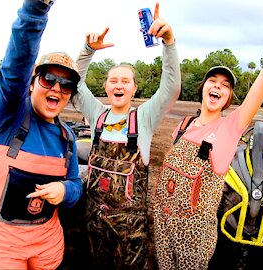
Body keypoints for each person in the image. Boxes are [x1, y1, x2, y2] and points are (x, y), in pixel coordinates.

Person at [152, 5, 263, 270]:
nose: (218, 87)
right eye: (213, 81)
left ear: (228, 98)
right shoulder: (183, 125)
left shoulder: (231, 128)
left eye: (225, 86)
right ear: (203, 88)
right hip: (163, 222)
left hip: (195, 235)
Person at [0, 0, 83, 269]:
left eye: (66, 85)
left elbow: (76, 185)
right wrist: (36, 8)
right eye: (48, 79)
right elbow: (15, 67)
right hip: (0, 250)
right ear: (32, 83)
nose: (56, 87)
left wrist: (64, 190)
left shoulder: (67, 138)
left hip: (47, 249)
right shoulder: (8, 119)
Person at [71, 3, 181, 269]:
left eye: (125, 81)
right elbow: (74, 84)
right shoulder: (96, 114)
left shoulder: (144, 117)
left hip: (131, 230)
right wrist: (87, 51)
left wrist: (169, 42)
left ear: (134, 88)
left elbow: (171, 87)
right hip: (95, 221)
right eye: (113, 80)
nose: (118, 85)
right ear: (106, 86)